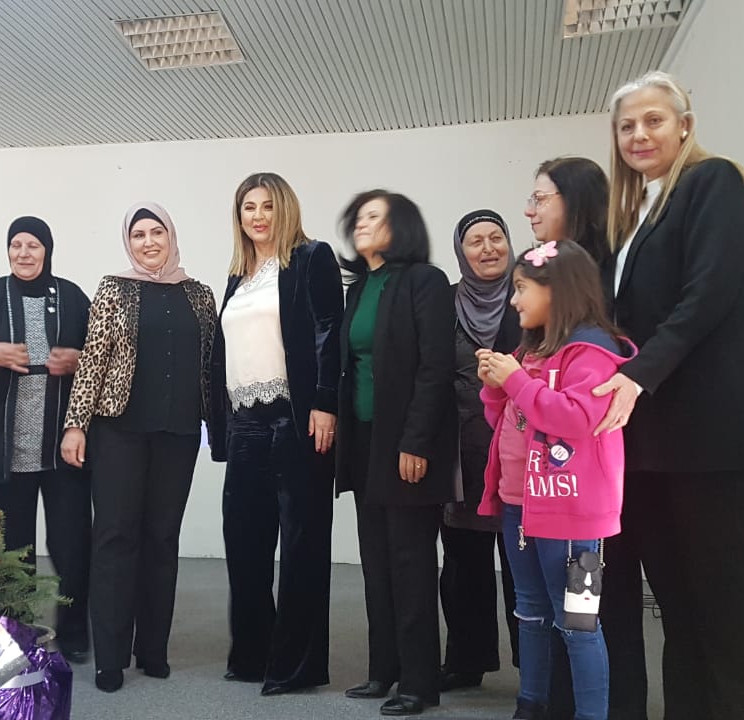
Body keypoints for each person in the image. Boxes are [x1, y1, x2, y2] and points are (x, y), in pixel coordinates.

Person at [592, 70, 744, 719]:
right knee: (676, 604)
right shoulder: (631, 218)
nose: (639, 135)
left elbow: (706, 297)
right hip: (647, 441)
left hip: (709, 434)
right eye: (626, 126)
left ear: (685, 126)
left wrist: (636, 375)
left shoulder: (714, 182)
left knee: (723, 598)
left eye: (653, 120)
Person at [60, 202, 217, 693]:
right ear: (128, 242)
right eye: (138, 235)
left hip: (179, 432)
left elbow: (211, 363)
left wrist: (220, 424)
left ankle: (152, 650)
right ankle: (110, 657)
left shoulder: (200, 294)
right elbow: (93, 358)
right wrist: (75, 424)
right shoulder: (114, 288)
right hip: (118, 430)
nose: (148, 242)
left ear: (171, 236)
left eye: (156, 233)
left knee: (162, 539)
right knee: (115, 538)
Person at [477, 240, 635, 720]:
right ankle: (531, 705)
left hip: (569, 511)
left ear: (556, 290)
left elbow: (576, 419)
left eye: (522, 288)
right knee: (529, 612)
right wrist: (495, 387)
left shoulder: (591, 352)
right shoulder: (532, 349)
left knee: (578, 624)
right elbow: (508, 420)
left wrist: (515, 381)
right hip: (519, 506)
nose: (514, 300)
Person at [207, 172, 343, 695]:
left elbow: (329, 331)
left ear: (284, 209)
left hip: (296, 417)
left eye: (267, 205)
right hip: (245, 422)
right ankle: (253, 654)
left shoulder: (311, 258)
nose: (258, 216)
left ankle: (296, 666)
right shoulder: (238, 276)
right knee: (244, 543)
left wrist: (325, 403)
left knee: (302, 545)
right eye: (249, 207)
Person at [335, 190, 456, 716]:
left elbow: (435, 368)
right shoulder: (360, 287)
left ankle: (419, 682)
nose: (361, 224)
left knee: (410, 565)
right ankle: (383, 669)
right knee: (376, 562)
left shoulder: (424, 281)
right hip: (364, 442)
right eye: (359, 217)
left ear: (400, 226)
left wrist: (415, 441)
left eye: (374, 217)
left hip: (405, 442)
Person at [0, 216, 92, 662]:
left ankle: (74, 631)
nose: (24, 253)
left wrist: (78, 361)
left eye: (33, 245)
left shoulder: (71, 296)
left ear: (47, 250)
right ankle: (12, 634)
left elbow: (103, 357)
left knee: (72, 546)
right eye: (16, 245)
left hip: (62, 448)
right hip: (4, 449)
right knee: (8, 551)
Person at [439, 210, 521, 691]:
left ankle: (534, 667)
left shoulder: (530, 294)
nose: (489, 248)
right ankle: (466, 661)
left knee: (522, 562)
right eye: (476, 241)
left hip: (522, 452)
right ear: (461, 252)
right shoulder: (446, 304)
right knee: (463, 562)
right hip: (464, 453)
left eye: (497, 238)